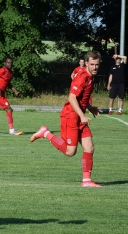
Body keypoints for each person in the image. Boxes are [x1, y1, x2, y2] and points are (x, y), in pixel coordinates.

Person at [29, 51, 103, 187]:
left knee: (89, 147)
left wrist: (90, 107)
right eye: (92, 64)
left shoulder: (90, 77)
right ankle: (45, 133)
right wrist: (82, 115)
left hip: (79, 116)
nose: (95, 67)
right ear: (86, 63)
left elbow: (82, 99)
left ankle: (86, 181)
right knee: (70, 151)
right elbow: (72, 98)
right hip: (71, 116)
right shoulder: (82, 77)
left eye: (97, 65)